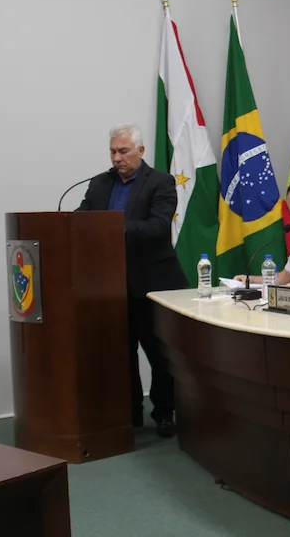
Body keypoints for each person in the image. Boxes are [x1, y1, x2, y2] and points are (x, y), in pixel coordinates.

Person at [77, 124, 187, 438]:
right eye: (113, 151)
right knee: (120, 354)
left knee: (160, 354)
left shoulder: (161, 182)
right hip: (109, 286)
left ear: (140, 151)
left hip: (154, 283)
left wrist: (112, 227)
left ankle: (165, 413)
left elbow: (157, 227)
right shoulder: (100, 184)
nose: (117, 158)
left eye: (123, 151)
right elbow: (83, 217)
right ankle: (130, 415)